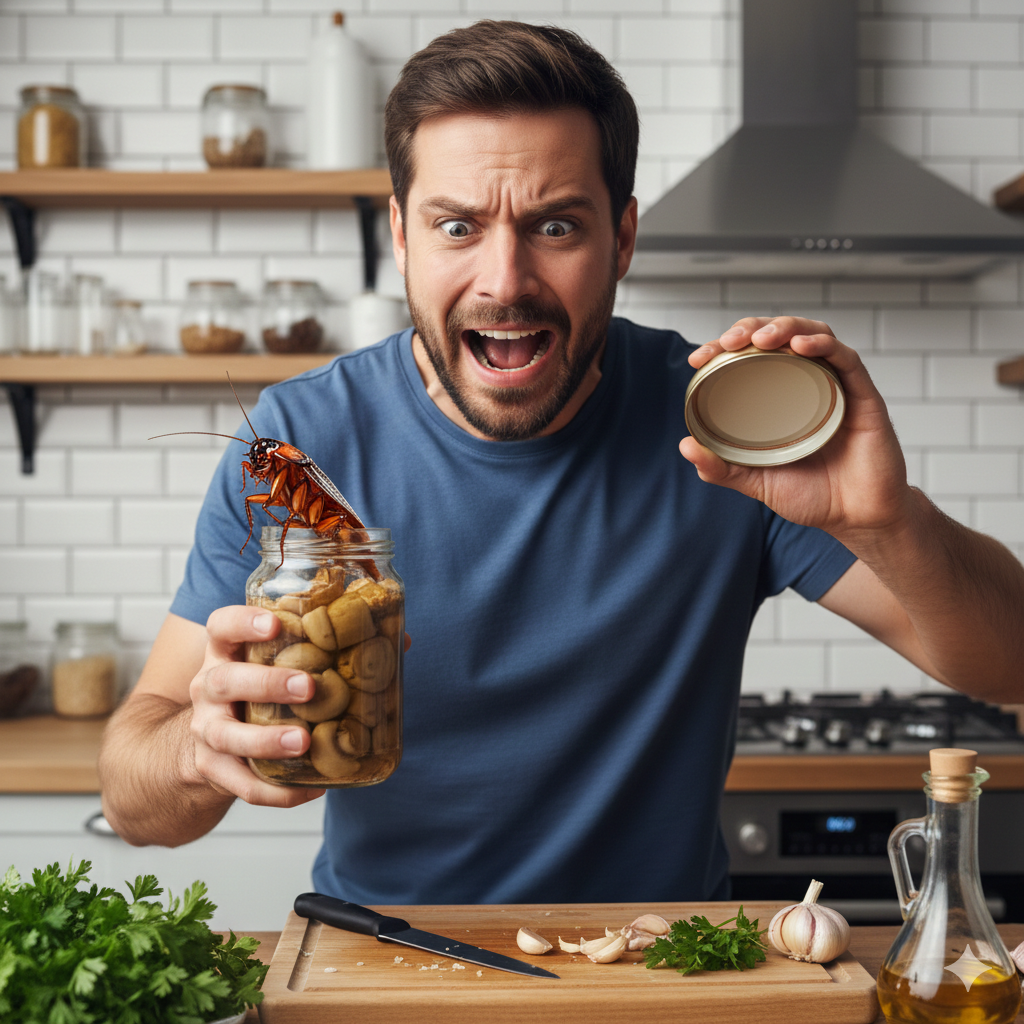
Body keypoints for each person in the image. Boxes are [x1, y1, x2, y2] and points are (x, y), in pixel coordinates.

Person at [99, 21, 1024, 906]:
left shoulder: (724, 427)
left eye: (555, 227)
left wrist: (889, 520)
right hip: (383, 957)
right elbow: (137, 803)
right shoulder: (300, 442)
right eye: (457, 227)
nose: (505, 282)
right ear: (401, 237)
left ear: (622, 238)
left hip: (658, 964)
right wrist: (195, 747)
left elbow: (1009, 671)